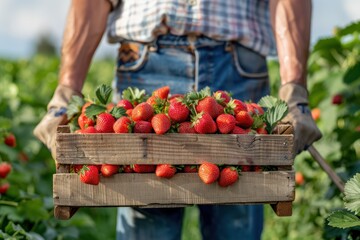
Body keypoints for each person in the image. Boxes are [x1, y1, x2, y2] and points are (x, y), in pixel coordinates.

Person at [34, 0, 322, 239]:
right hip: (146, 62)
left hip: (239, 66)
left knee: (238, 212)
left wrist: (294, 89)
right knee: (145, 211)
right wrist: (66, 92)